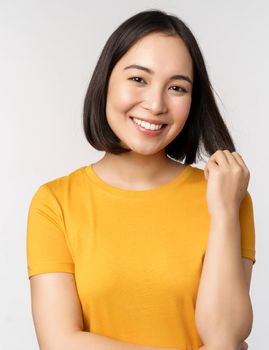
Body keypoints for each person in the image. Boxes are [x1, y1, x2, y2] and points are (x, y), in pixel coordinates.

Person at [26, 9, 255, 350]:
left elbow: (225, 337)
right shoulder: (55, 202)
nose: (155, 103)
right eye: (138, 79)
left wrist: (223, 214)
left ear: (192, 102)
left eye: (177, 87)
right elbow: (59, 342)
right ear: (106, 82)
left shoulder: (225, 197)